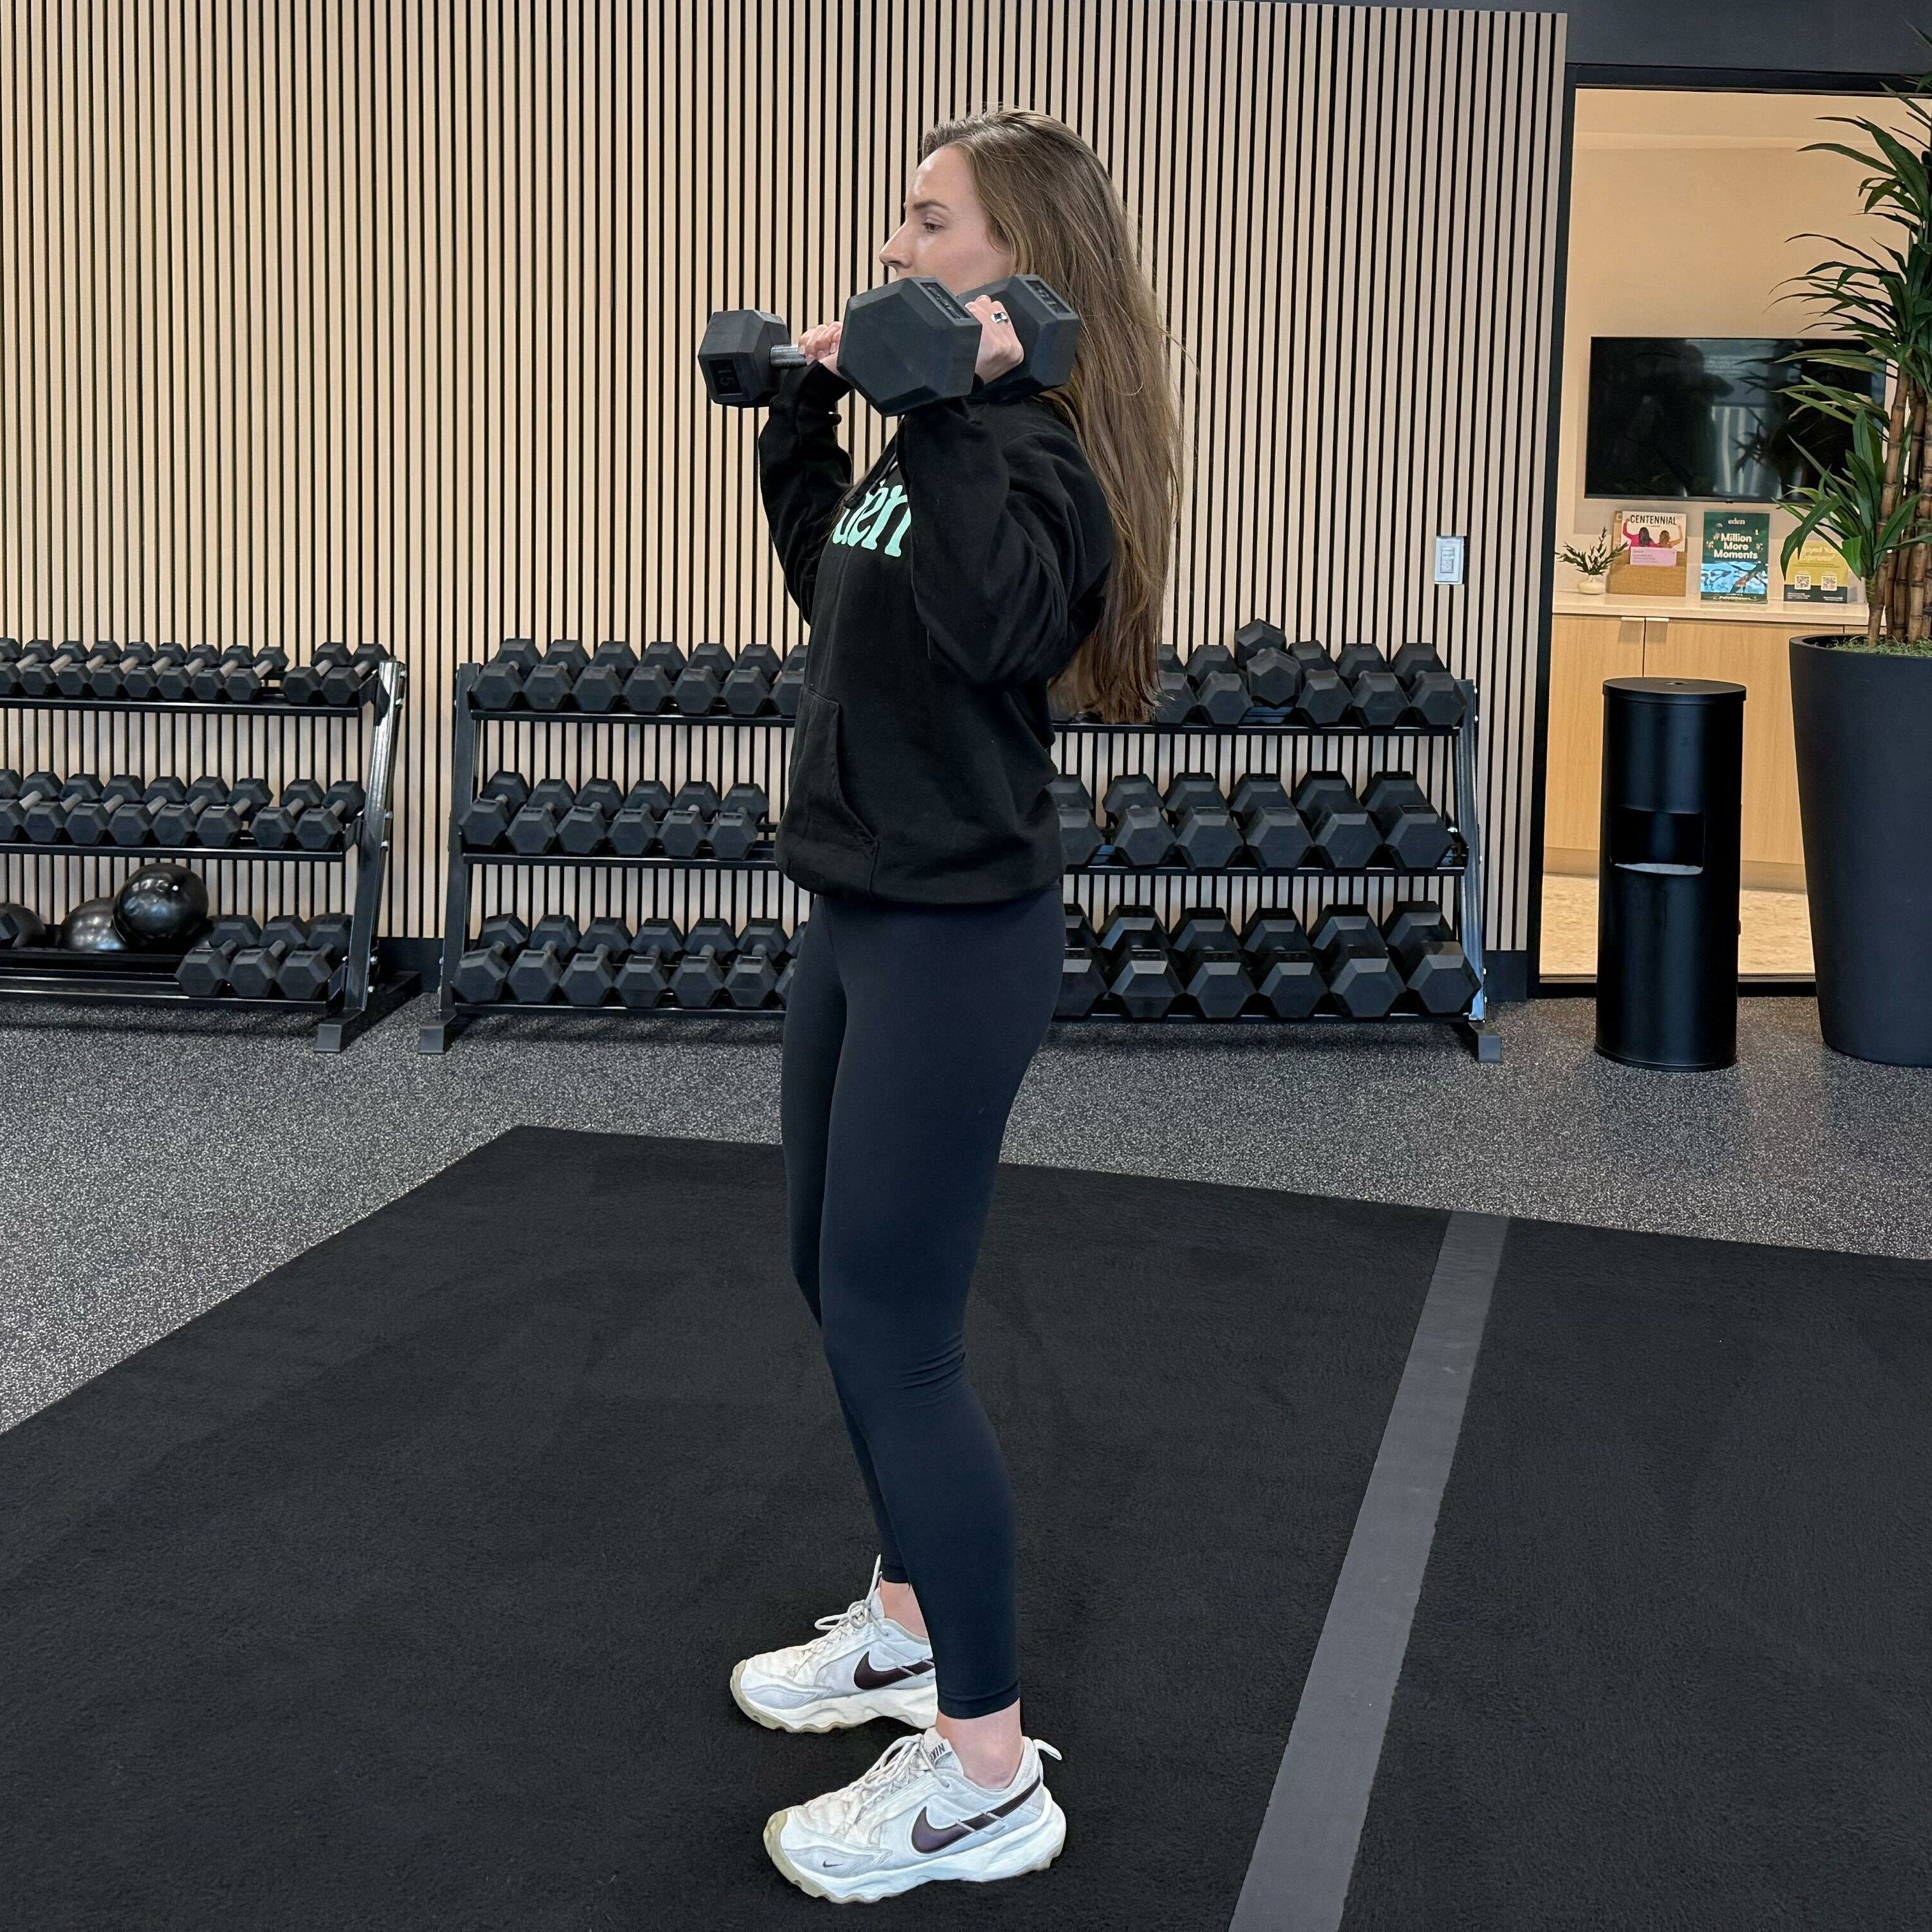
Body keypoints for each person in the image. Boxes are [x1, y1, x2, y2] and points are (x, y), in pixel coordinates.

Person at [728, 105, 1182, 1905]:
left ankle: (986, 1767)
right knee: (823, 1280)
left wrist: (930, 396)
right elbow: (843, 607)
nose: (897, 245)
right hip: (858, 911)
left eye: (933, 223)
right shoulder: (935, 450)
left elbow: (1001, 633)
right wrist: (801, 427)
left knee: (896, 1337)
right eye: (903, 221)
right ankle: (910, 1620)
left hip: (953, 936)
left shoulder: (1039, 460)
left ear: (1019, 265)